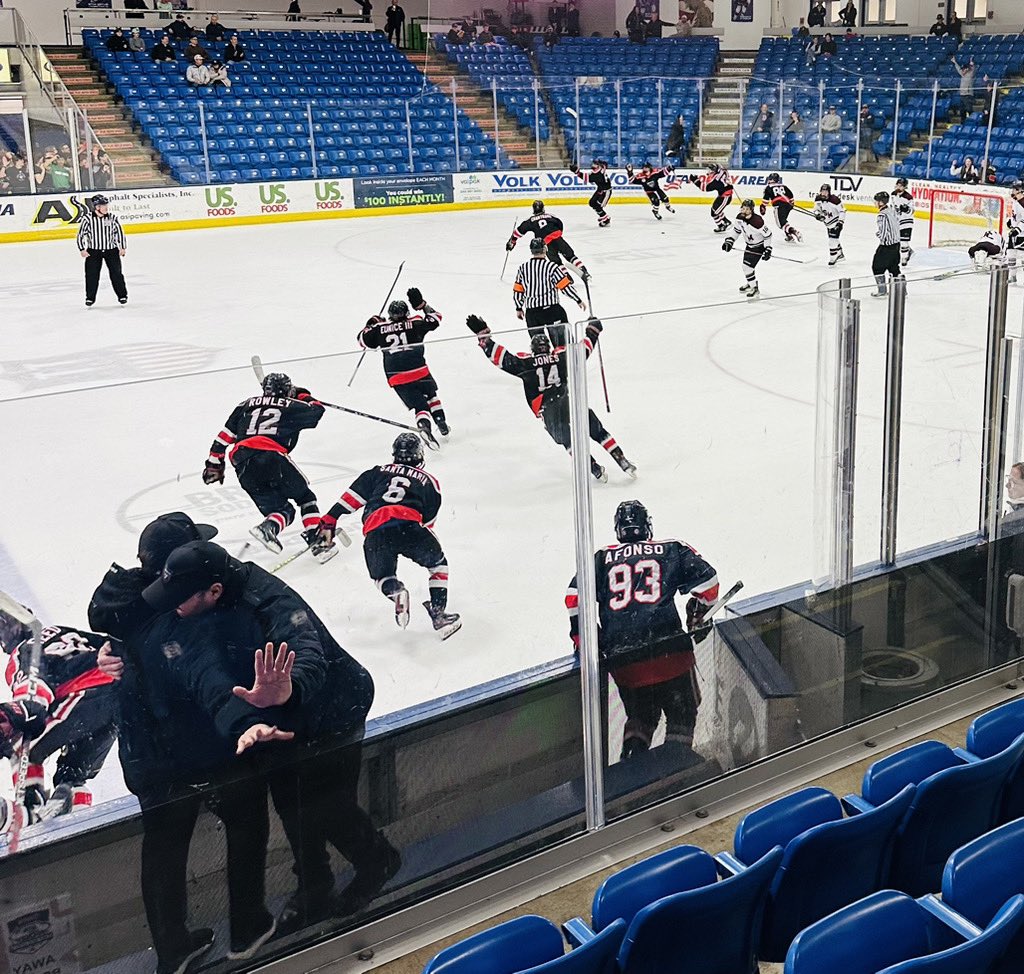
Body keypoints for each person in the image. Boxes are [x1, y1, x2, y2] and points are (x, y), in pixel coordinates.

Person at [86, 513, 278, 974]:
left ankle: (173, 950)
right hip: (199, 747)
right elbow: (210, 679)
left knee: (164, 844)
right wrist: (243, 723)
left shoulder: (123, 603)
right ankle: (248, 924)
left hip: (144, 753)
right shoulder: (187, 620)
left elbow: (108, 622)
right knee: (247, 814)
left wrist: (109, 649)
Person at [565, 500, 719, 761]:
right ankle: (675, 771)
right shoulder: (671, 548)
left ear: (618, 530)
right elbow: (709, 583)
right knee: (683, 712)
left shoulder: (601, 559)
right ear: (648, 527)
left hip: (624, 662)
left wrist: (588, 641)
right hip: (671, 655)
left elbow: (574, 598)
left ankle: (631, 774)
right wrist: (698, 611)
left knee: (640, 718)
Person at [317, 434, 461, 639]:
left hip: (375, 532)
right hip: (410, 527)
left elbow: (351, 498)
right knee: (438, 565)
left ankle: (396, 593)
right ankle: (439, 615)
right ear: (419, 454)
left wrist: (330, 519)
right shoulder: (430, 481)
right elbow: (428, 520)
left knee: (382, 577)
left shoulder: (377, 473)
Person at [467, 314, 636, 484]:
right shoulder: (561, 357)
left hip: (548, 410)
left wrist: (484, 337)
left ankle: (594, 468)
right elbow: (582, 351)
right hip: (569, 401)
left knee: (569, 442)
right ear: (548, 347)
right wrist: (593, 331)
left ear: (533, 349)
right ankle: (621, 459)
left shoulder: (526, 363)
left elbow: (502, 359)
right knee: (598, 431)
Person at [0, 612, 117, 824]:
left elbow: (32, 690)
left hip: (85, 694)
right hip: (120, 696)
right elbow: (109, 645)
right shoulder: (63, 630)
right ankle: (77, 808)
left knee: (22, 745)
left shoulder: (21, 651)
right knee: (72, 773)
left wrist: (18, 713)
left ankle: (30, 808)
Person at [202, 372, 330, 555]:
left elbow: (223, 438)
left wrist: (213, 465)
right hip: (271, 457)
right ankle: (316, 540)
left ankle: (268, 528)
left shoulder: (244, 405)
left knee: (282, 510)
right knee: (305, 498)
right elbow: (317, 410)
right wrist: (302, 394)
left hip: (242, 463)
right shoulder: (292, 405)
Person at [358, 287, 449, 447]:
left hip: (396, 376)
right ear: (406, 313)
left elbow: (362, 341)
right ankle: (441, 423)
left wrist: (371, 323)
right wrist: (422, 305)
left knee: (420, 406)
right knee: (431, 396)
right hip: (419, 370)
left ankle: (424, 427)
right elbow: (436, 318)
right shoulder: (415, 322)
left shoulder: (380, 329)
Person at [512, 238, 587, 348]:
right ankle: (564, 363)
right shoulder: (552, 267)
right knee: (563, 346)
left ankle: (544, 364)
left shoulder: (523, 268)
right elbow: (565, 286)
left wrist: (519, 308)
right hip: (552, 311)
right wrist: (578, 299)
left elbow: (518, 290)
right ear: (545, 249)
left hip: (532, 314)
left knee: (540, 347)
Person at [507, 200, 591, 278]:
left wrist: (512, 242)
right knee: (571, 256)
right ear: (543, 208)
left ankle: (567, 277)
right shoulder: (550, 216)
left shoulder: (530, 220)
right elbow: (560, 224)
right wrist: (557, 234)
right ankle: (584, 271)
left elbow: (518, 232)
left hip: (545, 243)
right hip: (558, 238)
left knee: (556, 262)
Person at [77, 195, 127, 308]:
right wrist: (82, 249)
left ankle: (122, 295)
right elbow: (80, 235)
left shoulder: (112, 217)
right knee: (91, 275)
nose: (106, 208)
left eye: (106, 205)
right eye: (103, 205)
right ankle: (90, 298)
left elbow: (119, 233)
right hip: (94, 251)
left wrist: (122, 247)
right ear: (97, 207)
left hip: (111, 250)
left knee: (116, 274)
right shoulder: (87, 218)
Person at [722, 199, 772, 300]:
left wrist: (767, 249)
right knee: (746, 267)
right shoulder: (739, 217)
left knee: (747, 267)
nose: (743, 210)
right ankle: (751, 283)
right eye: (743, 208)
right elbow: (736, 231)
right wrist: (730, 241)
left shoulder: (757, 221)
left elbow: (768, 235)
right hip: (749, 245)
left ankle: (754, 287)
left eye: (746, 209)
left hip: (758, 247)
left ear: (751, 210)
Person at [871, 190, 902, 298]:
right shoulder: (891, 210)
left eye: (876, 201)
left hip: (886, 246)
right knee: (894, 268)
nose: (874, 203)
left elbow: (883, 233)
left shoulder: (882, 215)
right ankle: (902, 290)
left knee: (877, 268)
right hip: (896, 244)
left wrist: (878, 234)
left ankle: (882, 291)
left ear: (880, 203)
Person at [687, 162, 734, 232]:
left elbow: (705, 188)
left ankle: (725, 224)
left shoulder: (717, 181)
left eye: (710, 171)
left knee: (714, 213)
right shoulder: (721, 171)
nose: (708, 172)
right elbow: (723, 169)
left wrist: (695, 180)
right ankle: (724, 224)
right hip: (722, 195)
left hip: (726, 197)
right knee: (714, 210)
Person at [570, 158, 613, 226]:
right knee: (592, 202)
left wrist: (576, 172)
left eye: (595, 164)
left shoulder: (598, 174)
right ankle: (604, 217)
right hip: (600, 190)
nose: (593, 165)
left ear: (598, 166)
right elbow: (604, 165)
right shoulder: (600, 169)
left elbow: (587, 178)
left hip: (606, 192)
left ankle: (606, 218)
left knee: (597, 205)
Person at [760, 173, 801, 243]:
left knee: (781, 224)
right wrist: (791, 203)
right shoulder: (784, 186)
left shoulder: (768, 187)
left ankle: (793, 231)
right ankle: (789, 236)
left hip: (779, 206)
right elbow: (791, 195)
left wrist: (763, 207)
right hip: (788, 205)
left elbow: (765, 200)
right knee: (784, 221)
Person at [813, 182, 846, 266]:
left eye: (825, 191)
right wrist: (817, 215)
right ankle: (839, 254)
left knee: (832, 241)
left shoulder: (835, 200)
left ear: (829, 192)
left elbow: (842, 211)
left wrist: (840, 223)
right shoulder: (818, 198)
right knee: (834, 239)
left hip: (836, 222)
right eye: (822, 191)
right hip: (828, 223)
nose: (823, 193)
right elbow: (816, 209)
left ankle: (833, 257)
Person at [892, 176, 915, 267]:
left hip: (907, 221)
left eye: (901, 186)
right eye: (898, 185)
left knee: (903, 241)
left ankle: (904, 258)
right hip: (897, 220)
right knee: (897, 241)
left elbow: (912, 211)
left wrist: (906, 209)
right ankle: (908, 250)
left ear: (905, 187)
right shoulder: (893, 194)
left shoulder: (908, 197)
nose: (898, 187)